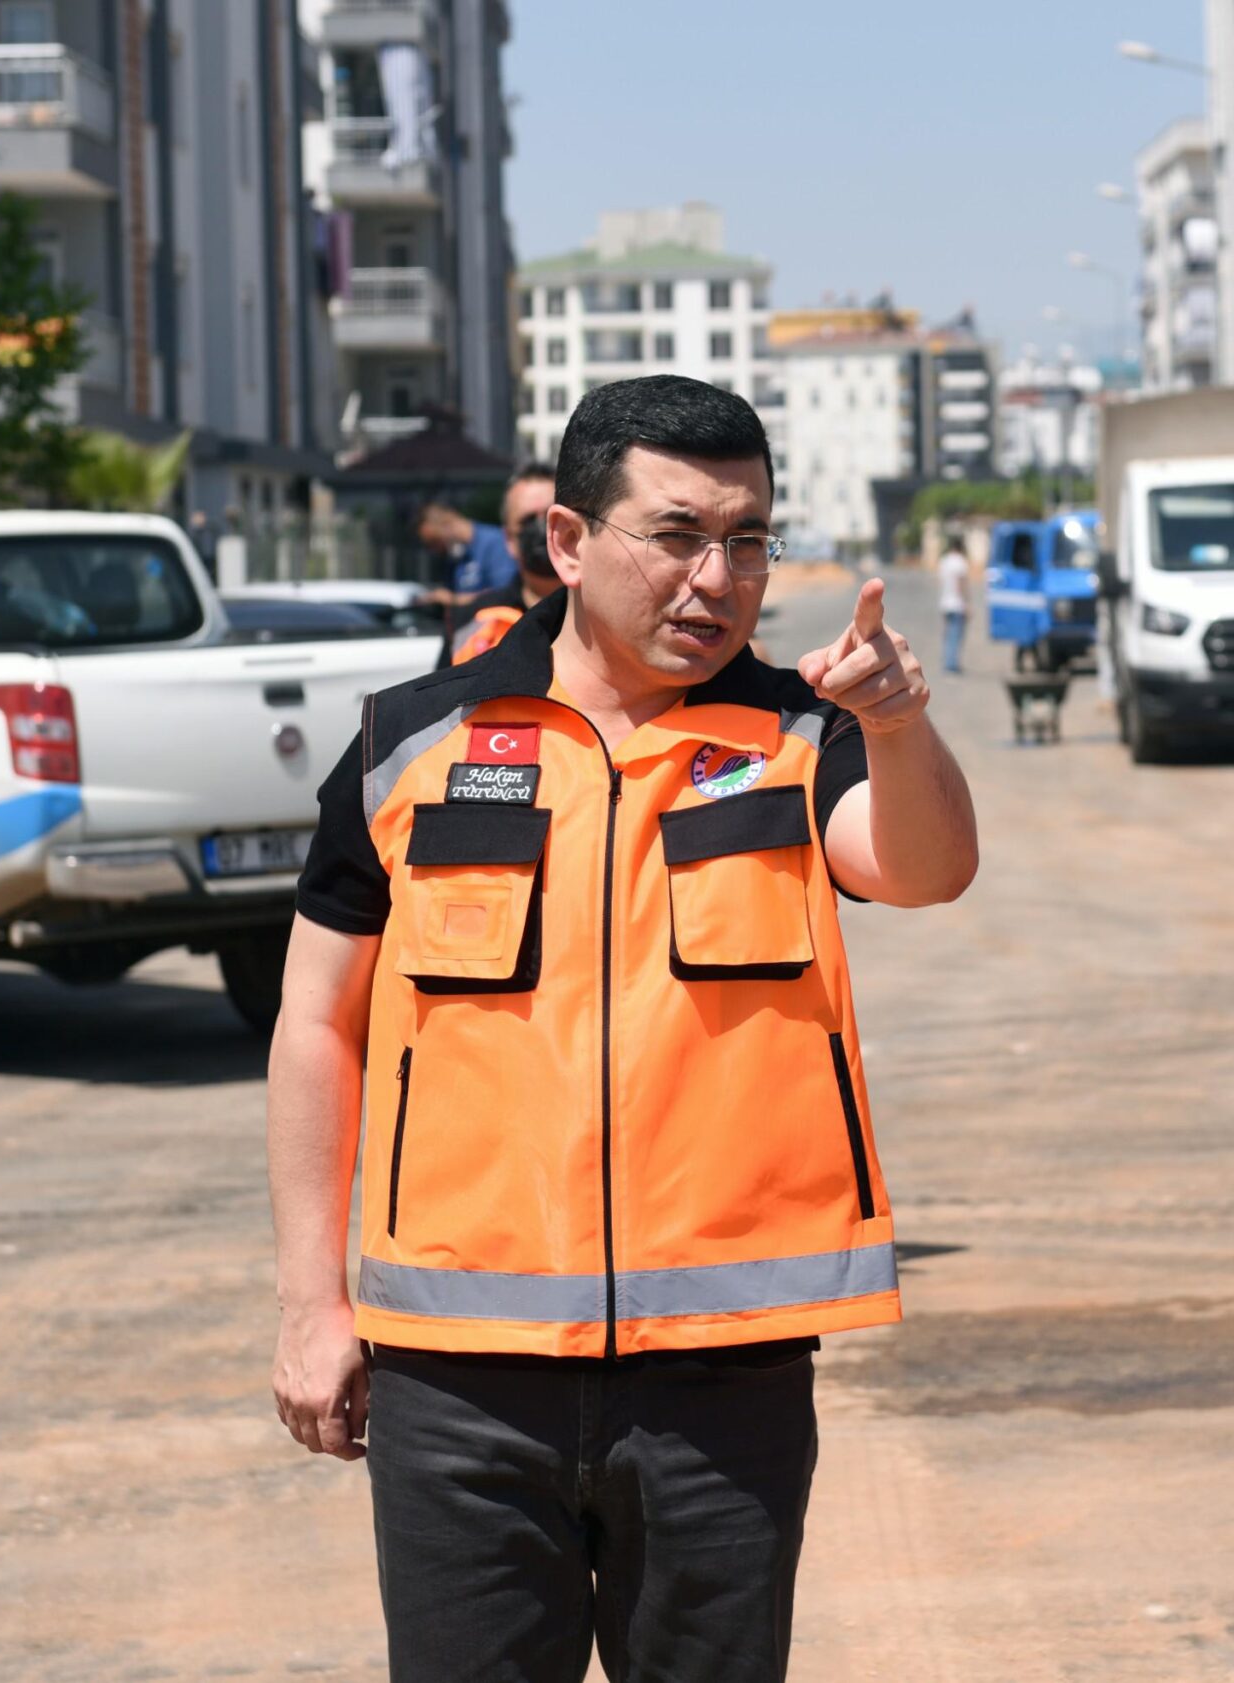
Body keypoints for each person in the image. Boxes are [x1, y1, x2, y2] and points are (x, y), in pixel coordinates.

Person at [268, 375, 978, 1683]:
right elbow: (319, 1020)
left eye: (750, 538)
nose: (720, 576)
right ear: (571, 541)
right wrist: (314, 1300)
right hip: (459, 1380)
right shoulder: (410, 744)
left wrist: (896, 719)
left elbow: (926, 866)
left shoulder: (794, 735)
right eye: (678, 534)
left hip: (722, 1385)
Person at [439, 461, 560, 668]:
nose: (542, 529)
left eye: (551, 517)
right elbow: (440, 698)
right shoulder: (470, 622)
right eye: (528, 520)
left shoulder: (604, 615)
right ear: (509, 539)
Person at [417, 501, 518, 603]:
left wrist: (453, 599)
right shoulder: (455, 558)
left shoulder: (495, 542)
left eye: (435, 542)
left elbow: (504, 594)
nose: (436, 551)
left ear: (446, 525)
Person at [936, 534, 971, 674]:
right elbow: (960, 585)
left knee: (947, 633)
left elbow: (941, 582)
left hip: (945, 603)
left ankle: (947, 661)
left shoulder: (944, 561)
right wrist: (967, 603)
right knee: (956, 635)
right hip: (957, 604)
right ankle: (952, 664)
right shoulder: (960, 562)